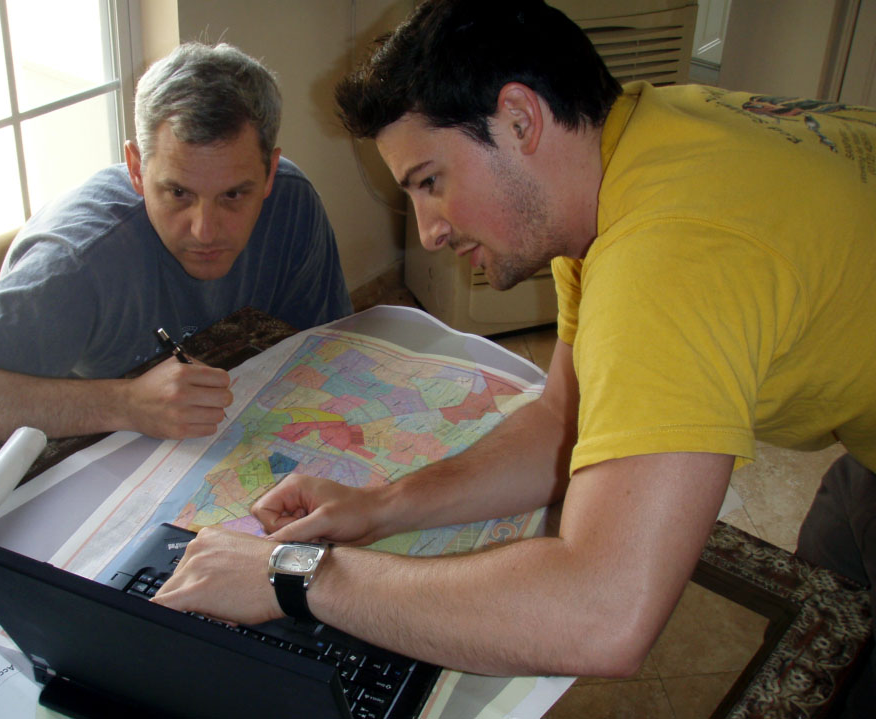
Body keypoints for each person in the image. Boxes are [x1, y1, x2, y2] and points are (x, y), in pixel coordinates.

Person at [150, 1, 876, 713]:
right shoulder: (628, 148)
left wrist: (295, 575)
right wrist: (380, 506)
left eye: (430, 181)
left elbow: (604, 611)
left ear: (521, 120)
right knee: (830, 613)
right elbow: (562, 419)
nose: (428, 232)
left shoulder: (666, 257)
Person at [0, 42, 352, 444]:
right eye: (178, 193)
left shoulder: (292, 201)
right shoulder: (78, 261)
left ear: (269, 172)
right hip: (90, 447)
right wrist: (125, 403)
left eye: (233, 195)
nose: (205, 231)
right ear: (136, 168)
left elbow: (328, 348)